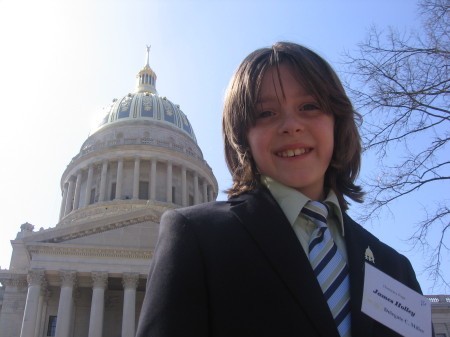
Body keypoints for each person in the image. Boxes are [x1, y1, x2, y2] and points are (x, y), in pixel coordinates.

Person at [135, 42, 422, 337]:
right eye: (266, 113)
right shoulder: (197, 237)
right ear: (243, 137)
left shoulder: (395, 269)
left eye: (309, 107)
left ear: (337, 121)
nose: (291, 125)